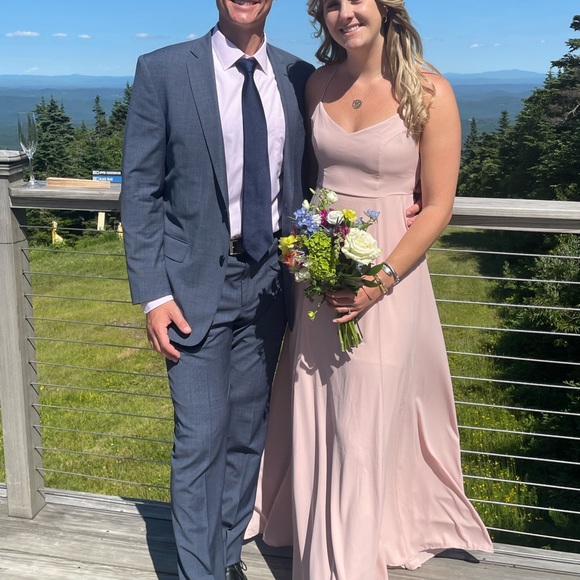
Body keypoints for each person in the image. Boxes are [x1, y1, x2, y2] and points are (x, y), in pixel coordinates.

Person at [252, 0, 494, 578]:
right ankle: (317, 531)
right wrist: (304, 253)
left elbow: (437, 207)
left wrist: (380, 281)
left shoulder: (428, 91)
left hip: (390, 275)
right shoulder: (317, 84)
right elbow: (306, 179)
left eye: (356, 0)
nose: (345, 13)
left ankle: (350, 558)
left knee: (365, 411)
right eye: (331, 4)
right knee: (322, 404)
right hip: (320, 272)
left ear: (384, 8)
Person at [120, 1, 315, 578]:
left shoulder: (298, 75)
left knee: (246, 433)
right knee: (200, 437)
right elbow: (141, 188)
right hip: (191, 287)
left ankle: (225, 559)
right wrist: (154, 294)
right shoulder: (163, 70)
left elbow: (316, 169)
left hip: (269, 283)